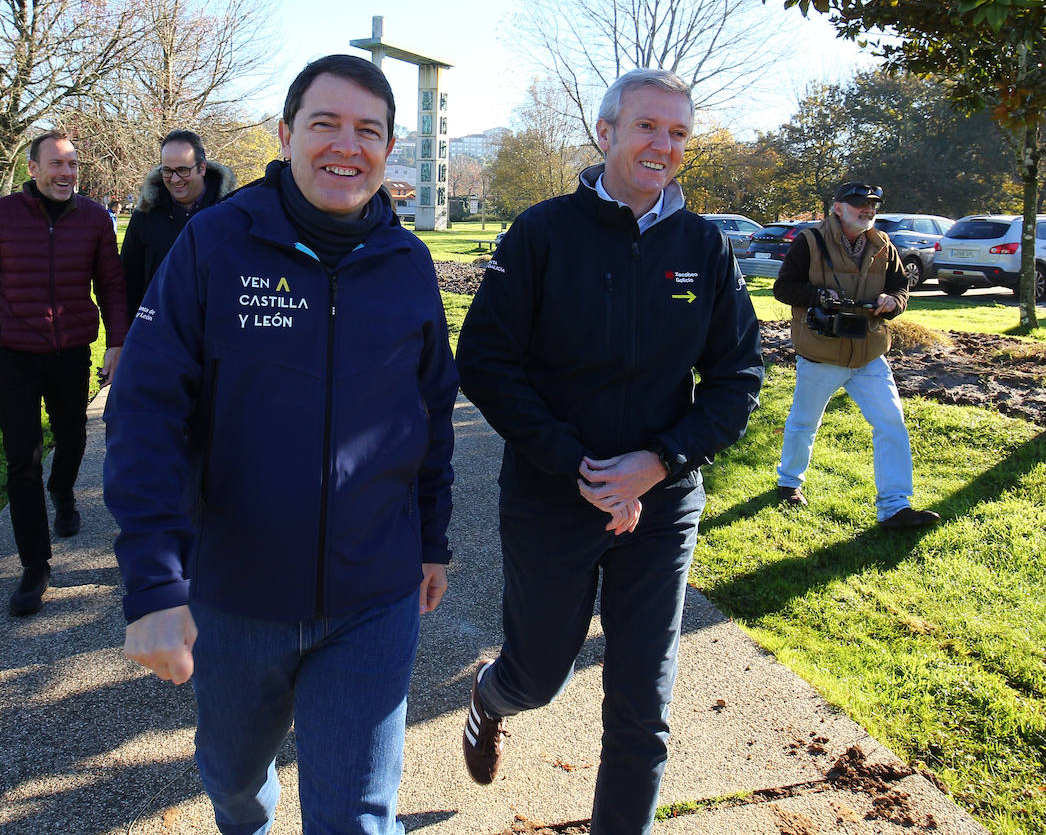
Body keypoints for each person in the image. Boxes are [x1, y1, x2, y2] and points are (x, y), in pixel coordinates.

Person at [104, 54, 458, 835]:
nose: (346, 145)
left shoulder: (408, 264)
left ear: (390, 147)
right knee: (235, 787)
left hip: (374, 595)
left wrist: (432, 540)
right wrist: (154, 582)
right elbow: (147, 414)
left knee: (356, 820)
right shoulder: (215, 245)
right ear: (285, 133)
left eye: (369, 130)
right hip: (236, 596)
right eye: (325, 123)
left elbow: (429, 413)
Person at [455, 69, 764, 834]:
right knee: (540, 678)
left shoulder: (703, 247)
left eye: (680, 133)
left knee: (642, 707)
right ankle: (492, 698)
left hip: (661, 506)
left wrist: (659, 462)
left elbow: (737, 375)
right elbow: (487, 359)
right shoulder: (541, 232)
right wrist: (578, 464)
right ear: (606, 133)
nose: (665, 145)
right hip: (553, 498)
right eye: (649, 128)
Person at [0, 131, 129, 617]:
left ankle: (64, 490)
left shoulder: (94, 219)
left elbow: (111, 285)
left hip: (71, 351)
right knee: (22, 459)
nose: (66, 173)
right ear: (33, 169)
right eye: (56, 164)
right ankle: (35, 565)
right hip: (13, 354)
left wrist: (118, 343)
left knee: (72, 438)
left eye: (72, 164)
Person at [772, 181, 937, 529]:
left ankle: (895, 507)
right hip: (821, 351)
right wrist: (819, 296)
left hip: (869, 352)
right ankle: (789, 483)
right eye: (860, 203)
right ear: (838, 208)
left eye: (873, 204)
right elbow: (783, 288)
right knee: (804, 423)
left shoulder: (883, 243)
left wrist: (893, 302)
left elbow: (899, 287)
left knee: (891, 423)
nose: (868, 209)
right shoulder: (809, 241)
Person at [120, 129, 237, 315]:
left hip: (214, 331)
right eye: (167, 170)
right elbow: (127, 280)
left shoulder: (230, 215)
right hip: (157, 331)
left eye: (183, 170)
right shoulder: (145, 215)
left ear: (202, 168)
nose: (175, 179)